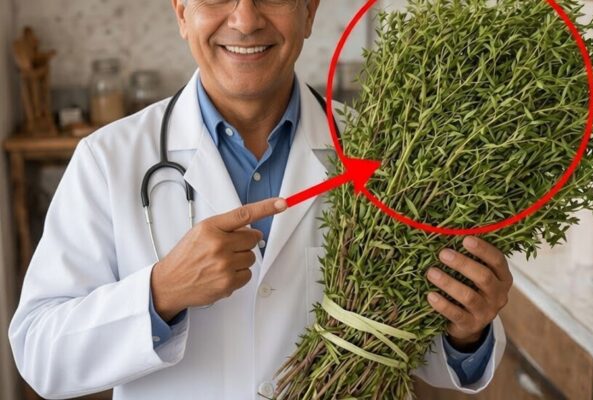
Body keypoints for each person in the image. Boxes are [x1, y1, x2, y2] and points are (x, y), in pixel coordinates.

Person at [9, 0, 512, 398]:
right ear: (182, 13)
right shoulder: (107, 159)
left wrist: (466, 333)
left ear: (309, 11)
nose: (245, 19)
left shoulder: (386, 156)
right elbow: (39, 353)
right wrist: (161, 293)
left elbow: (418, 348)